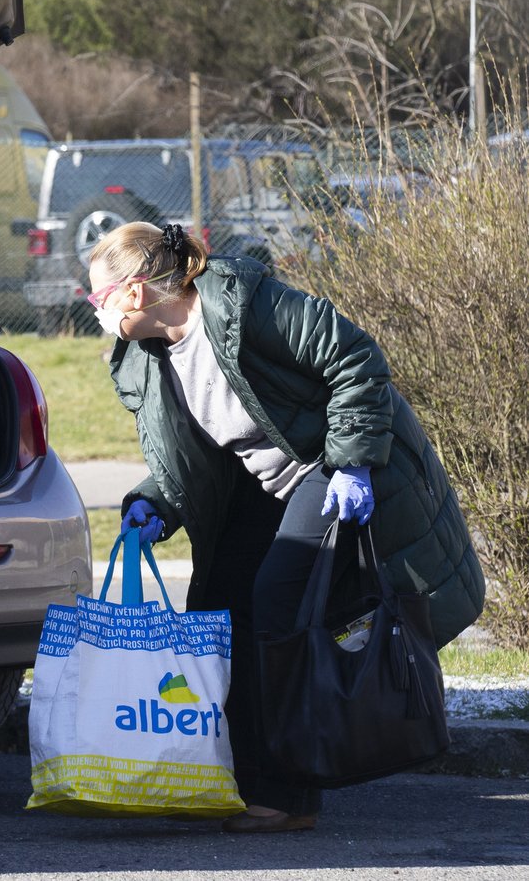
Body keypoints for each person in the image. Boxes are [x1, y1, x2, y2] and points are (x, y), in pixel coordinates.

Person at [87, 221, 485, 834]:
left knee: (277, 604)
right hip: (267, 482)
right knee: (223, 610)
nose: (97, 311)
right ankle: (250, 781)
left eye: (98, 297)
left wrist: (352, 461)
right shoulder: (148, 359)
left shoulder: (249, 306)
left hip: (330, 462)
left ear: (135, 293)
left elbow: (356, 359)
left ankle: (289, 791)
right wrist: (155, 502)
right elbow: (195, 456)